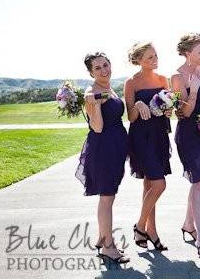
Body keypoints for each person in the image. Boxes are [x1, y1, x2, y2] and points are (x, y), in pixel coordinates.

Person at [75, 52, 129, 263]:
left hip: (115, 148)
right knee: (107, 198)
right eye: (97, 68)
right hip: (103, 149)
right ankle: (108, 247)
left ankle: (101, 238)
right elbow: (97, 127)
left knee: (110, 196)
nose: (104, 70)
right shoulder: (92, 92)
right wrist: (95, 104)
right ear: (90, 72)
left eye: (105, 65)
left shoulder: (109, 88)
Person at [172, 33, 200, 261]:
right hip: (188, 135)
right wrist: (194, 90)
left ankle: (188, 224)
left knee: (199, 181)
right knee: (198, 182)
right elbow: (185, 112)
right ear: (188, 53)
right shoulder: (177, 77)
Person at [124, 42, 171, 251]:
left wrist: (169, 111)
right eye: (150, 57)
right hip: (141, 138)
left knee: (149, 185)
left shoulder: (163, 80)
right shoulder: (131, 83)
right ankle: (140, 226)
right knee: (159, 185)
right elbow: (131, 117)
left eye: (155, 55)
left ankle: (151, 231)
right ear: (139, 60)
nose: (155, 59)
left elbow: (169, 108)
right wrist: (137, 105)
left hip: (160, 135)